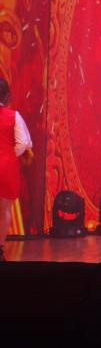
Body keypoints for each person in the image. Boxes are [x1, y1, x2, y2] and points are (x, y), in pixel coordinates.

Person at [0, 78, 32, 262]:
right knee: (4, 209)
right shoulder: (14, 116)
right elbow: (23, 143)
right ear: (6, 95)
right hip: (5, 166)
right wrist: (8, 154)